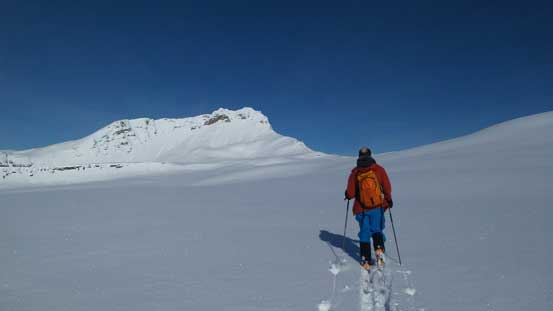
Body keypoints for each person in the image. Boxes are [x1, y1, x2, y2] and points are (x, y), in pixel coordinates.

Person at [345, 147, 393, 271]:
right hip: (377, 206)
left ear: (359, 156)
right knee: (377, 229)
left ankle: (365, 260)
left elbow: (350, 193)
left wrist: (347, 194)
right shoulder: (379, 169)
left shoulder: (355, 172)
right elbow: (386, 186)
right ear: (371, 155)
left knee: (365, 233)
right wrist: (388, 199)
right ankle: (379, 251)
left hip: (361, 208)